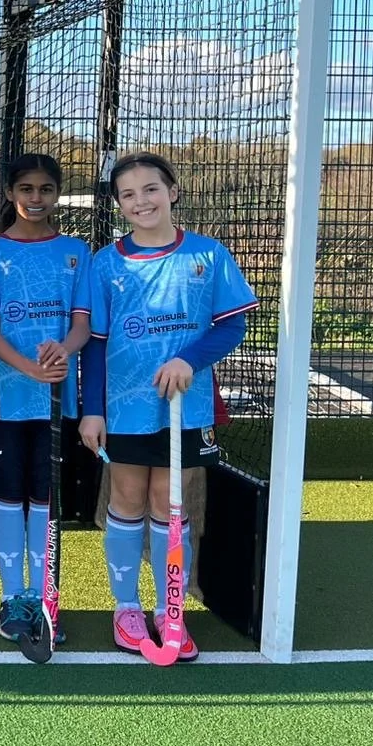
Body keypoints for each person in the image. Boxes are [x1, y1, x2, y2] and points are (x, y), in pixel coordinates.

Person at [79, 152, 256, 661]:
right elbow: (95, 341)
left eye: (151, 189)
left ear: (173, 192)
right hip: (125, 409)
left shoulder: (208, 255)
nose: (142, 201)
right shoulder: (106, 263)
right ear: (118, 205)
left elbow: (232, 325)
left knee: (169, 507)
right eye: (129, 194)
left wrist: (186, 359)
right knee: (128, 501)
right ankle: (127, 608)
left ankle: (169, 609)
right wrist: (93, 409)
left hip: (187, 407)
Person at [0, 154, 90, 641]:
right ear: (10, 194)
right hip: (10, 399)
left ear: (57, 194)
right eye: (26, 189)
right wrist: (30, 369)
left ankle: (44, 598)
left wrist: (62, 351)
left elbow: (82, 325)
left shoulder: (76, 252)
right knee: (8, 491)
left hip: (59, 404)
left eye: (45, 189)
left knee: (46, 494)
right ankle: (13, 598)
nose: (35, 198)